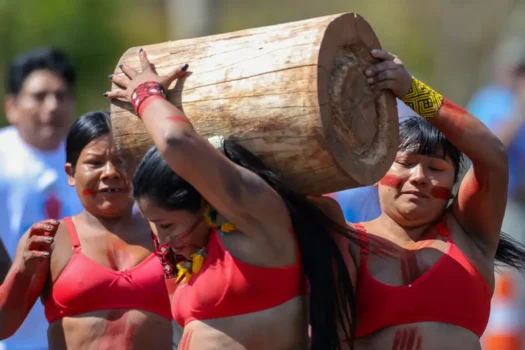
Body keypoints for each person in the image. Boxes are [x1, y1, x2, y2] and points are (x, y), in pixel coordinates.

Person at [105, 50, 359, 350]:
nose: (162, 241)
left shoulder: (260, 222)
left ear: (205, 201)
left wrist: (145, 94)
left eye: (167, 225)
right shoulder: (195, 255)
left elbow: (176, 141)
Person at [345, 49, 525, 349]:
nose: (418, 176)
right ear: (376, 170)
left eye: (436, 168)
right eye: (406, 162)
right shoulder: (344, 242)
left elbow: (493, 155)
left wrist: (412, 91)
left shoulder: (469, 236)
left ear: (455, 186)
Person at [0, 112, 173, 349]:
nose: (110, 172)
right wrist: (21, 272)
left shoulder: (166, 233)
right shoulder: (47, 239)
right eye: (95, 163)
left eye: (122, 160)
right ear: (71, 174)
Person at [0, 47, 83, 350]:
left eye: (61, 96)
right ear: (11, 106)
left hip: (77, 334)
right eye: (39, 96)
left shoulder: (94, 159)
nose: (52, 106)